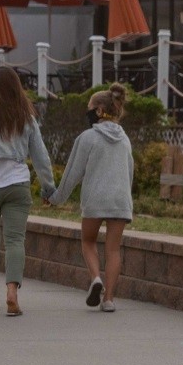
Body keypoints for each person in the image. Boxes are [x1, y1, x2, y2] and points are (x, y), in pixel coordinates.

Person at [0, 67, 56, 317]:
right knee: (15, 240)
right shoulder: (26, 117)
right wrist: (48, 187)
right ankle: (12, 291)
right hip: (17, 186)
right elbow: (40, 157)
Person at [46, 84, 134, 312]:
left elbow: (72, 174)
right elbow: (130, 171)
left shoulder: (87, 138)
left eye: (89, 108)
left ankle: (96, 279)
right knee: (113, 249)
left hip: (95, 198)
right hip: (120, 200)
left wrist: (56, 199)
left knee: (88, 241)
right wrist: (126, 198)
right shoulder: (125, 140)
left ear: (98, 111)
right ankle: (109, 300)